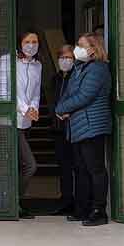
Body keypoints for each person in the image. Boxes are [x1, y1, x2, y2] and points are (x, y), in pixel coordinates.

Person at [54, 33, 112, 226]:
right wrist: (62, 109)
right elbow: (70, 93)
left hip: (92, 125)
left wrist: (62, 109)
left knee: (95, 169)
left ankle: (98, 210)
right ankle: (83, 208)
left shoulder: (98, 69)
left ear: (93, 49)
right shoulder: (80, 68)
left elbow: (84, 96)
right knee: (81, 169)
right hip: (79, 126)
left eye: (81, 45)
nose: (76, 48)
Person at [0, 30, 44, 218]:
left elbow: (35, 92)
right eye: (27, 41)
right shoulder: (6, 61)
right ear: (19, 42)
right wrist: (25, 108)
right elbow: (1, 91)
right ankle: (12, 202)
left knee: (19, 166)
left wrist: (34, 108)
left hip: (25, 123)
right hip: (8, 122)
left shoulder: (37, 65)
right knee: (29, 165)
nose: (31, 45)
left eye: (35, 41)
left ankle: (14, 203)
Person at [52, 43, 80, 219]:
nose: (65, 60)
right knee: (63, 167)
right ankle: (66, 200)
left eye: (68, 57)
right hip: (58, 128)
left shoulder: (77, 76)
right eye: (62, 57)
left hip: (74, 127)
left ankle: (79, 202)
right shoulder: (55, 78)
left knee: (77, 166)